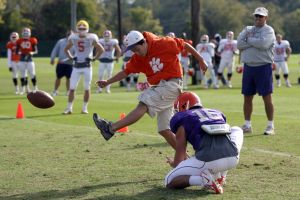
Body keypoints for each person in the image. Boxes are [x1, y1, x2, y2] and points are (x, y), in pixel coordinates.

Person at [93, 30, 207, 152]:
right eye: (132, 50)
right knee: (164, 129)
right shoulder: (138, 58)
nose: (135, 52)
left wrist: (200, 60)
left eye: (136, 49)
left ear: (143, 42)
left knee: (144, 103)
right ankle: (185, 160)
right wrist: (108, 82)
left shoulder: (163, 43)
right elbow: (126, 72)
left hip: (172, 84)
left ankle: (110, 128)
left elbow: (184, 44)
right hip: (161, 87)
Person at [164, 92, 243, 194]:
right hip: (233, 158)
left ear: (183, 105)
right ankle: (221, 175)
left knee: (169, 180)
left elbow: (179, 160)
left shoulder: (183, 119)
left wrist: (174, 163)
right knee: (237, 129)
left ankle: (204, 180)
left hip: (209, 160)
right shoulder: (216, 113)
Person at [237, 7, 276, 135]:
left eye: (261, 16)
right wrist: (254, 42)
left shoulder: (269, 30)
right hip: (248, 66)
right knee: (247, 97)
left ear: (266, 18)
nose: (258, 18)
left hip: (263, 66)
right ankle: (247, 125)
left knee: (267, 97)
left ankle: (270, 125)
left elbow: (264, 44)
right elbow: (239, 44)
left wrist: (249, 40)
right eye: (256, 16)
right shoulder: (248, 29)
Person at [63, 20, 104, 114]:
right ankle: (69, 108)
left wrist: (94, 58)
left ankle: (84, 108)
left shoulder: (91, 38)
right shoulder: (74, 37)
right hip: (76, 66)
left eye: (83, 28)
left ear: (87, 29)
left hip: (87, 66)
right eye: (80, 28)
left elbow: (101, 49)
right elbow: (66, 49)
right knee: (72, 88)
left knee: (86, 87)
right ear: (77, 29)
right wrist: (71, 57)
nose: (82, 30)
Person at [50, 31, 74, 96]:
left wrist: (73, 57)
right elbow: (55, 50)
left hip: (70, 64)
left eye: (71, 35)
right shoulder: (61, 41)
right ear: (66, 35)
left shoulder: (75, 42)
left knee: (68, 78)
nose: (69, 36)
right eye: (68, 35)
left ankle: (68, 91)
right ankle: (55, 91)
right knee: (58, 77)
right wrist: (52, 58)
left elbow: (76, 53)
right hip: (61, 63)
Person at [16, 27, 38, 94]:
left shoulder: (33, 40)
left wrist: (32, 53)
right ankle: (23, 89)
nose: (26, 34)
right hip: (22, 60)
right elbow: (17, 51)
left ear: (30, 33)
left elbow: (36, 51)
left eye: (27, 32)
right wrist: (20, 53)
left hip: (30, 60)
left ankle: (35, 88)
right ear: (22, 33)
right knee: (22, 75)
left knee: (32, 74)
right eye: (24, 32)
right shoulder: (19, 41)